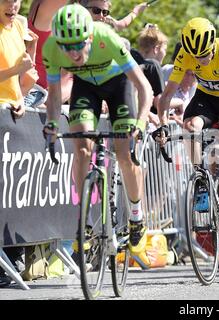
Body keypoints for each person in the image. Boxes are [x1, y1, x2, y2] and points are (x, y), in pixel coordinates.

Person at [42, 4, 153, 251]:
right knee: (81, 149)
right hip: (86, 87)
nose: (72, 53)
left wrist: (141, 123)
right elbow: (54, 94)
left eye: (78, 44)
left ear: (90, 36)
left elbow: (144, 87)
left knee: (125, 155)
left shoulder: (107, 37)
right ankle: (85, 220)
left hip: (118, 85)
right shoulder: (50, 47)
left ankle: (136, 214)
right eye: (66, 47)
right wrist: (51, 123)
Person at [154, 17, 219, 267]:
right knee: (192, 127)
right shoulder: (186, 55)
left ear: (213, 44)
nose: (201, 60)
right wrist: (162, 125)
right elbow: (167, 95)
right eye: (196, 57)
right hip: (207, 100)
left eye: (205, 55)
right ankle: (201, 179)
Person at [0, 0, 36, 287]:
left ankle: (13, 257)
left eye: (17, 0)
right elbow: (14, 71)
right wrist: (16, 72)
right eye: (6, 0)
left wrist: (22, 100)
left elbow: (25, 75)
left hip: (12, 115)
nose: (13, 5)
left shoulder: (19, 27)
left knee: (14, 189)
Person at [130, 23, 167, 124]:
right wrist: (179, 103)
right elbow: (159, 103)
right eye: (164, 49)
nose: (165, 53)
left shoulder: (130, 64)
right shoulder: (153, 66)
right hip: (149, 123)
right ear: (156, 49)